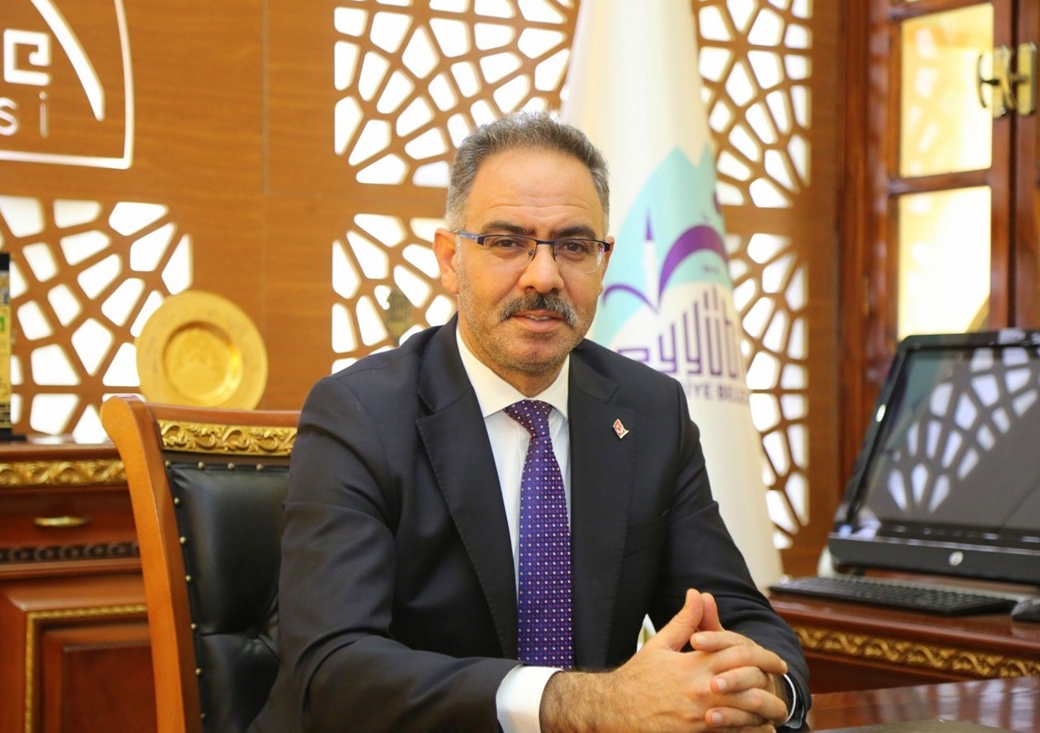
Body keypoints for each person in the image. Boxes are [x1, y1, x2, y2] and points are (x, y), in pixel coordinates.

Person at [249, 111, 809, 732]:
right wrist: (586, 705)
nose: (544, 275)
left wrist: (756, 688)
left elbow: (744, 621)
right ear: (450, 259)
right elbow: (333, 670)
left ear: (603, 263)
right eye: (507, 241)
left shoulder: (650, 411)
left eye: (573, 246)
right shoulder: (358, 415)